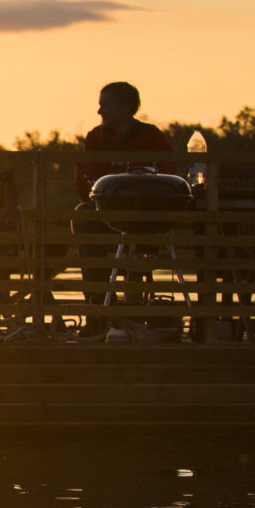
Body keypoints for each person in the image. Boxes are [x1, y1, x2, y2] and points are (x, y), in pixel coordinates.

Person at [73, 81, 174, 339]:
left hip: (149, 218)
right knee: (83, 215)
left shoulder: (152, 137)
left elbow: (169, 175)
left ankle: (111, 311)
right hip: (106, 218)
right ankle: (100, 308)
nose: (99, 112)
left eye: (104, 105)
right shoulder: (95, 139)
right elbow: (83, 181)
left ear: (124, 107)